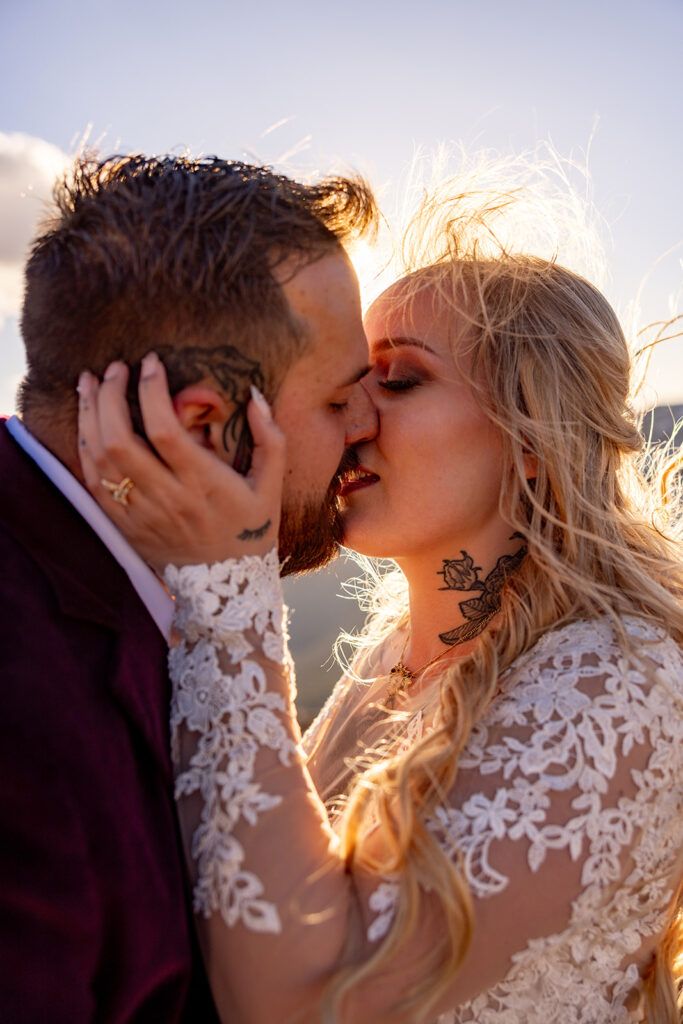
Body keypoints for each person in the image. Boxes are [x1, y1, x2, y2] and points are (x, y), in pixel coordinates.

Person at [78, 179, 683, 1023]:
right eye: (348, 382)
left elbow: (315, 999)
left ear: (535, 436)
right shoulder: (391, 655)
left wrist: (228, 587)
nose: (351, 415)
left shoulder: (620, 685)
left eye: (397, 381)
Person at [0, 152, 379, 1021]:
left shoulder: (126, 580)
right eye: (337, 402)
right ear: (203, 426)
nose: (368, 428)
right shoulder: (22, 709)